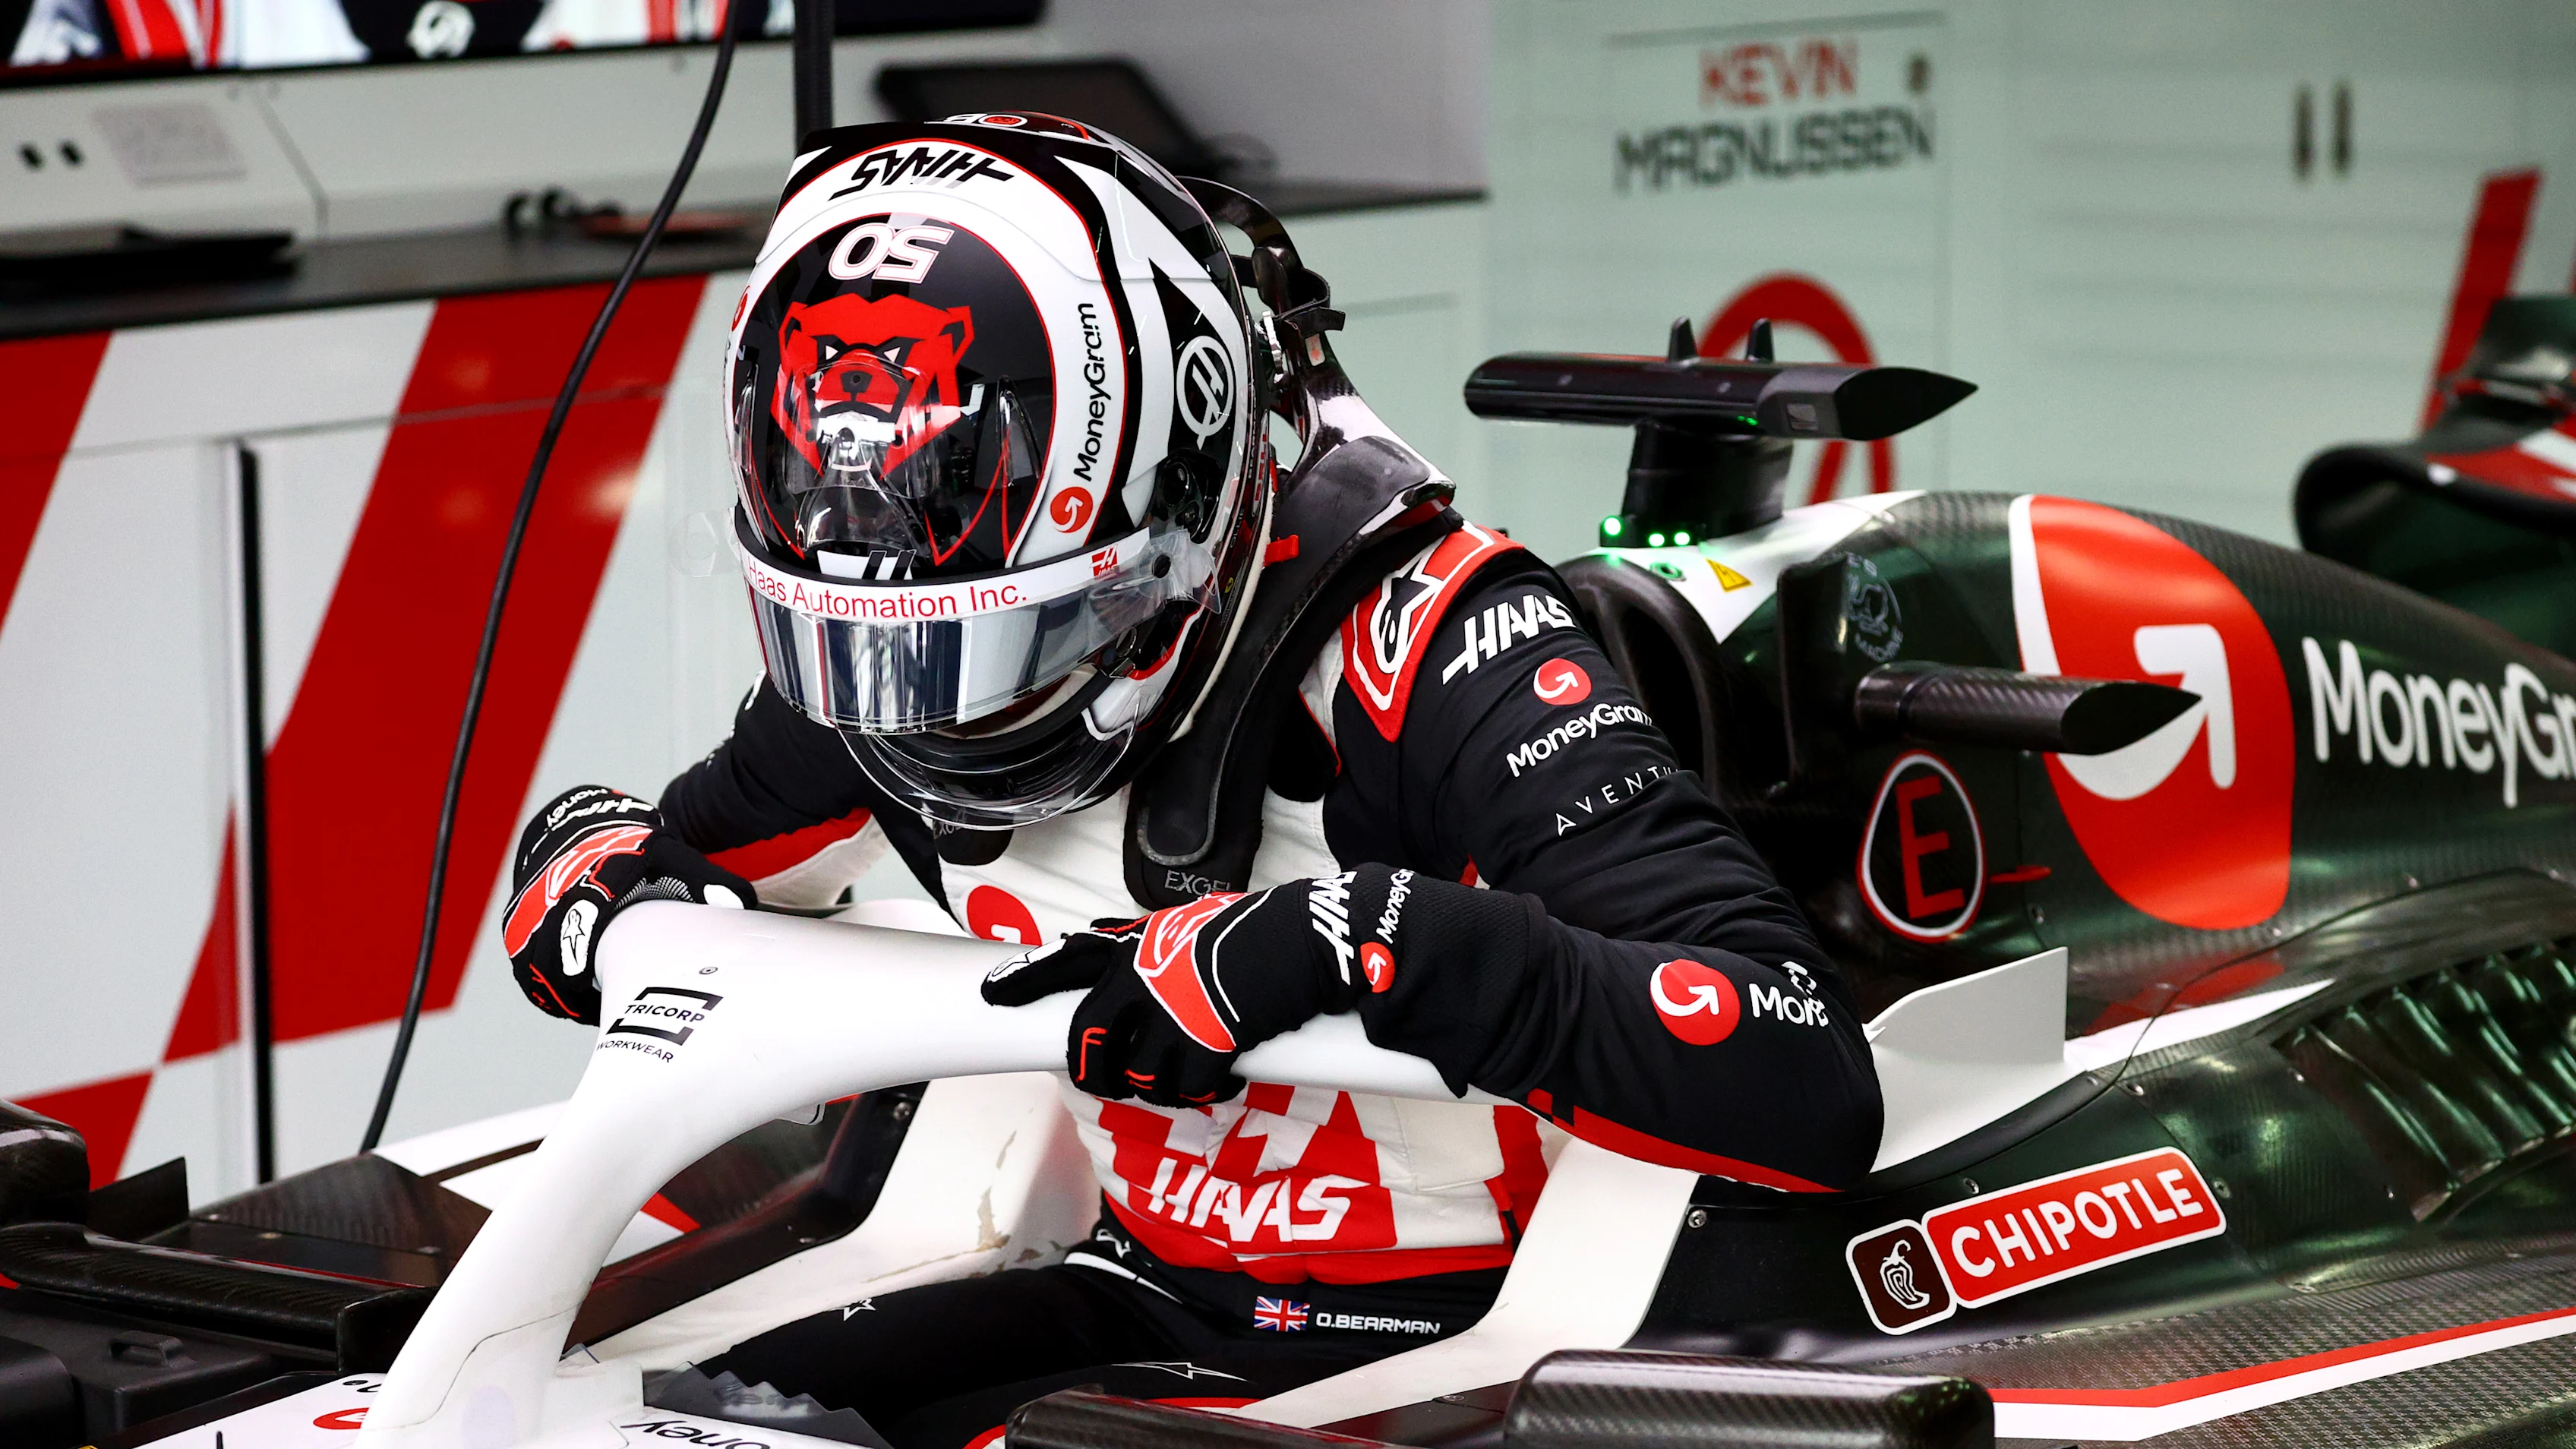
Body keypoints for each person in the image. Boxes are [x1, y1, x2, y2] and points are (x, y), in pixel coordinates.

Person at [500, 112, 1882, 1449]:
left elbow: (1802, 1067)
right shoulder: (900, 676)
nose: (939, 716)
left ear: (1174, 512)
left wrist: (1359, 941)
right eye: (883, 658)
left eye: (1018, 644)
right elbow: (669, 869)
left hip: (1497, 1339)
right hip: (1145, 1292)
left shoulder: (1430, 651)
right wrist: (585, 867)